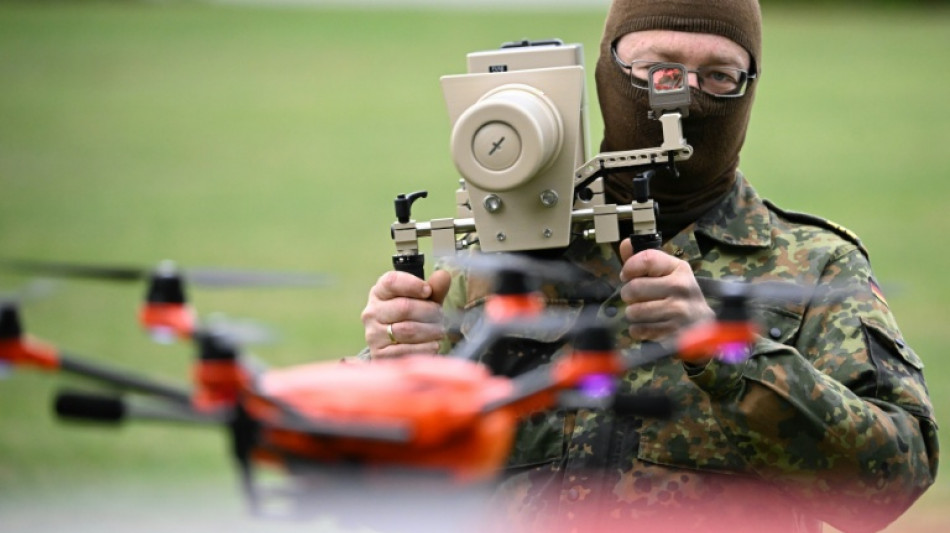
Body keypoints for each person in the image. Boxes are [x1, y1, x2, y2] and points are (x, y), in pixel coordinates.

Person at [359, 1, 938, 532]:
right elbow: (376, 479)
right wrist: (386, 372)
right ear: (607, 74)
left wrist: (727, 353)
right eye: (658, 71)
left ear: (749, 89)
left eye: (719, 76)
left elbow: (892, 484)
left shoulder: (814, 265)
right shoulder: (492, 263)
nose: (686, 95)